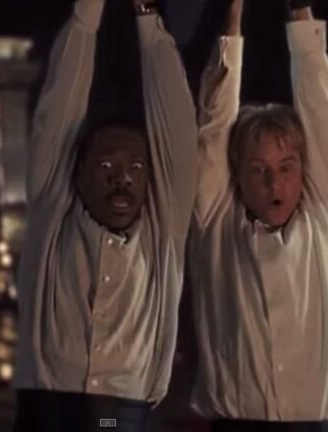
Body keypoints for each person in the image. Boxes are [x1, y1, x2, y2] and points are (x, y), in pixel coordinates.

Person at [12, 0, 198, 430]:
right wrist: (88, 11)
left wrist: (148, 15)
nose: (122, 179)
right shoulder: (51, 216)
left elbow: (176, 124)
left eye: (136, 168)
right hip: (47, 411)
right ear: (78, 174)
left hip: (120, 417)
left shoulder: (162, 232)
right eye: (106, 166)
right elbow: (60, 104)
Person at [189, 0, 328, 430]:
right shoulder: (217, 223)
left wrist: (299, 10)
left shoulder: (322, 214)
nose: (273, 184)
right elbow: (214, 123)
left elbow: (321, 111)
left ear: (303, 170)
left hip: (317, 422)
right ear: (239, 175)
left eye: (285, 168)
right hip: (237, 422)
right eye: (259, 170)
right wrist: (233, 16)